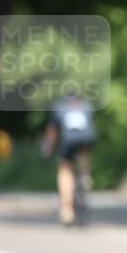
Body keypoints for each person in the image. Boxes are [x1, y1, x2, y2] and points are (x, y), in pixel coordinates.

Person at [42, 92, 96, 226]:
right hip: (87, 138)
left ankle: (67, 210)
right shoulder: (85, 106)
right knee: (84, 152)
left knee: (65, 169)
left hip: (69, 140)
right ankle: (85, 177)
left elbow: (52, 132)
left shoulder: (59, 107)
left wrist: (47, 149)